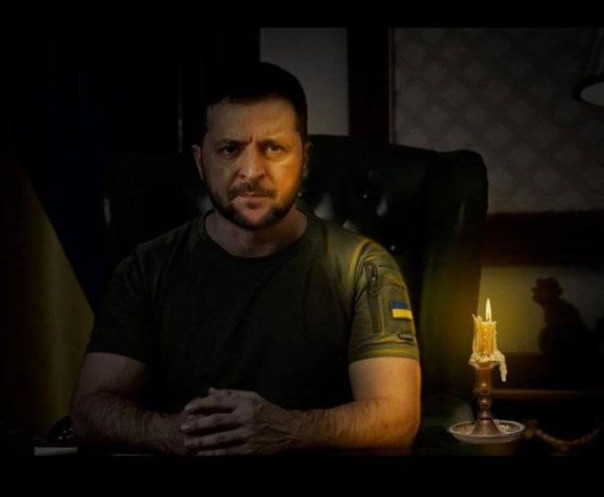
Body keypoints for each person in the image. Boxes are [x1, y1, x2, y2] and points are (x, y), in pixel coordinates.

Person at [70, 62, 421, 455]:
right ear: (200, 161)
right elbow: (88, 410)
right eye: (229, 149)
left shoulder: (364, 268)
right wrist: (172, 432)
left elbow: (398, 420)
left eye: (273, 148)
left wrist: (289, 430)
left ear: (304, 160)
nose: (252, 172)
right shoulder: (145, 269)